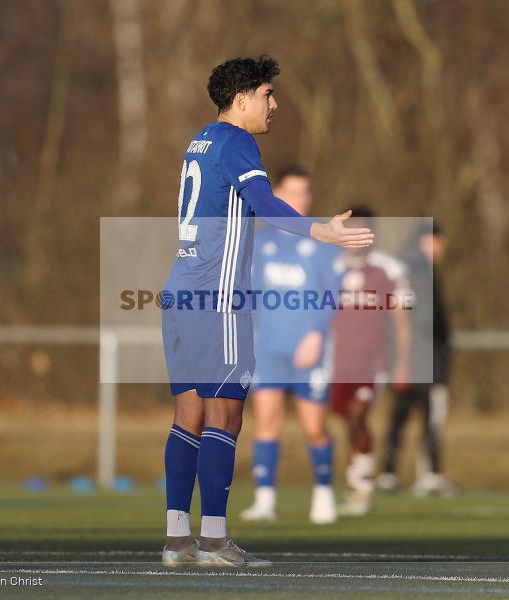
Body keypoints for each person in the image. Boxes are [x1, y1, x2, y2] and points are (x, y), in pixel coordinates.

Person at [160, 55, 373, 568]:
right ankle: (213, 541)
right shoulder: (237, 141)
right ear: (241, 99)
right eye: (267, 94)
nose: (274, 104)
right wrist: (318, 229)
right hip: (217, 297)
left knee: (188, 413)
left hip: (180, 290)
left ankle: (177, 541)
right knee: (225, 414)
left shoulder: (201, 139)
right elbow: (262, 200)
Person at [240, 165, 342, 526]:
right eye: (293, 192)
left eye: (306, 192)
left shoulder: (320, 242)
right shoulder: (261, 242)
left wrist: (315, 334)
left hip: (309, 351)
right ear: (278, 196)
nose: (301, 199)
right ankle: (265, 499)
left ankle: (324, 495)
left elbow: (333, 296)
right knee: (267, 422)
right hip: (268, 349)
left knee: (315, 426)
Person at [329, 206, 412, 516]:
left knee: (357, 416)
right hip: (336, 363)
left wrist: (403, 362)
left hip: (372, 361)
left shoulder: (387, 270)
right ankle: (356, 478)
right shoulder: (331, 267)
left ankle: (363, 485)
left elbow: (402, 320)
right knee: (346, 422)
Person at [377, 221, 456, 497]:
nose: (441, 249)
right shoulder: (419, 271)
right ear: (428, 240)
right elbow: (420, 320)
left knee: (399, 417)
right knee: (429, 418)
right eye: (439, 242)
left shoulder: (404, 267)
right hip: (423, 360)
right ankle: (430, 474)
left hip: (408, 358)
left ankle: (388, 472)